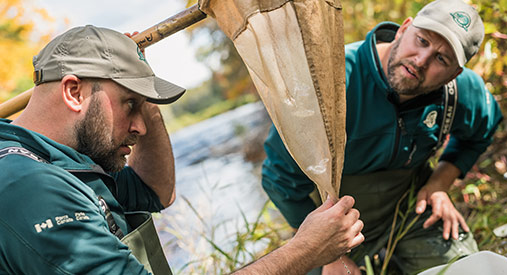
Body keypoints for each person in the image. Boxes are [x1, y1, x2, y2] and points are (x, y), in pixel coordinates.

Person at [0, 25, 364, 274]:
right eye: (130, 104)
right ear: (73, 92)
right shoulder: (27, 186)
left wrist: (141, 85)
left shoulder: (70, 161)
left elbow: (155, 190)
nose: (141, 127)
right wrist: (305, 252)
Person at [261, 0, 502, 274]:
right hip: (334, 225)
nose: (421, 61)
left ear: (454, 74)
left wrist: (440, 183)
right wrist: (327, 255)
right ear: (404, 29)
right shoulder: (329, 85)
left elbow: (482, 130)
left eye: (441, 58)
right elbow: (279, 177)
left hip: (412, 212)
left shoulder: (461, 92)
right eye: (422, 40)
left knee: (469, 270)